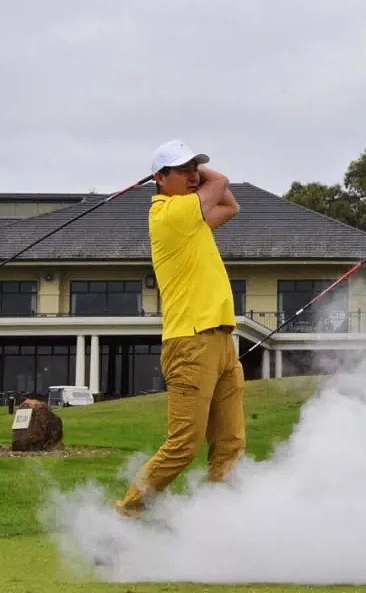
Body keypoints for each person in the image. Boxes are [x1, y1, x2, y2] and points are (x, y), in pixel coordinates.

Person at [114, 139, 245, 518]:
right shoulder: (167, 214)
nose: (192, 175)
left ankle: (221, 524)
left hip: (221, 339)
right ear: (159, 177)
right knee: (184, 445)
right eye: (183, 169)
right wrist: (202, 174)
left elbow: (231, 205)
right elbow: (220, 183)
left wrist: (187, 174)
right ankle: (125, 516)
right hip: (190, 342)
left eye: (194, 168)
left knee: (231, 442)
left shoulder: (191, 216)